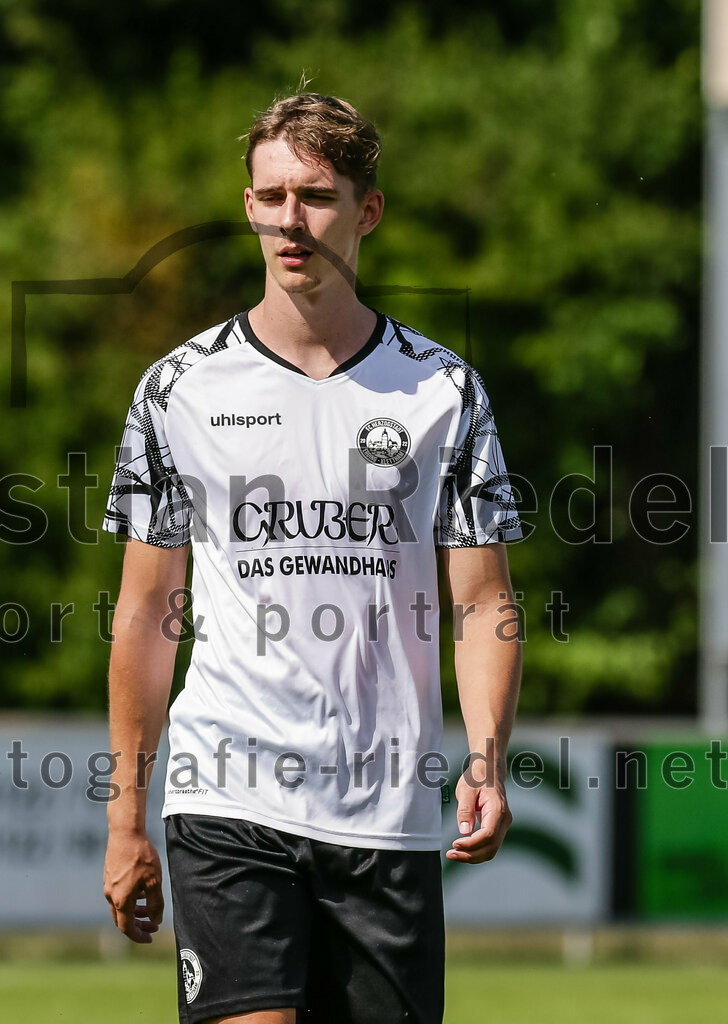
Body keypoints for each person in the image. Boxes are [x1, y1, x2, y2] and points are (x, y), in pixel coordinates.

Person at [101, 92, 523, 1024]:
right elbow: (145, 616)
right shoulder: (177, 389)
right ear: (247, 204)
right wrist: (125, 813)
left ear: (366, 211)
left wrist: (486, 758)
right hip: (226, 792)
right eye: (273, 196)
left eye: (318, 196)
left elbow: (483, 601)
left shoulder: (445, 390)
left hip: (387, 811)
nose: (292, 220)